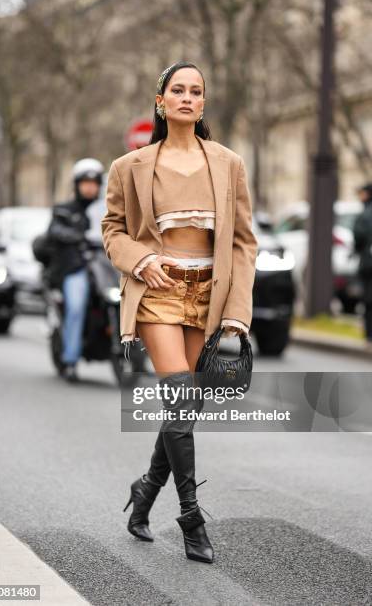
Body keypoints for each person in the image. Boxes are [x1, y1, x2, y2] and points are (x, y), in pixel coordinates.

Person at [101, 62, 258, 563]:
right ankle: (191, 518)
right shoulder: (130, 166)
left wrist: (236, 310)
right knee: (179, 397)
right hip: (158, 293)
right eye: (178, 90)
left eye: (196, 91)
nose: (187, 97)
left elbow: (242, 242)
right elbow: (113, 230)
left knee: (182, 411)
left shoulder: (229, 163)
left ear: (203, 103)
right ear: (160, 100)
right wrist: (141, 260)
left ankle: (145, 491)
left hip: (208, 296)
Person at [46, 158, 104, 382]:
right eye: (85, 182)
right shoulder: (64, 210)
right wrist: (75, 236)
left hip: (104, 269)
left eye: (94, 183)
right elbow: (55, 230)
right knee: (77, 307)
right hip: (76, 268)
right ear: (77, 185)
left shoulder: (108, 210)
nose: (90, 187)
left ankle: (137, 358)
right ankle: (70, 359)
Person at [353, 182, 372, 345]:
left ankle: (369, 334)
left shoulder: (365, 215)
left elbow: (358, 237)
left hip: (368, 263)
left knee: (368, 298)